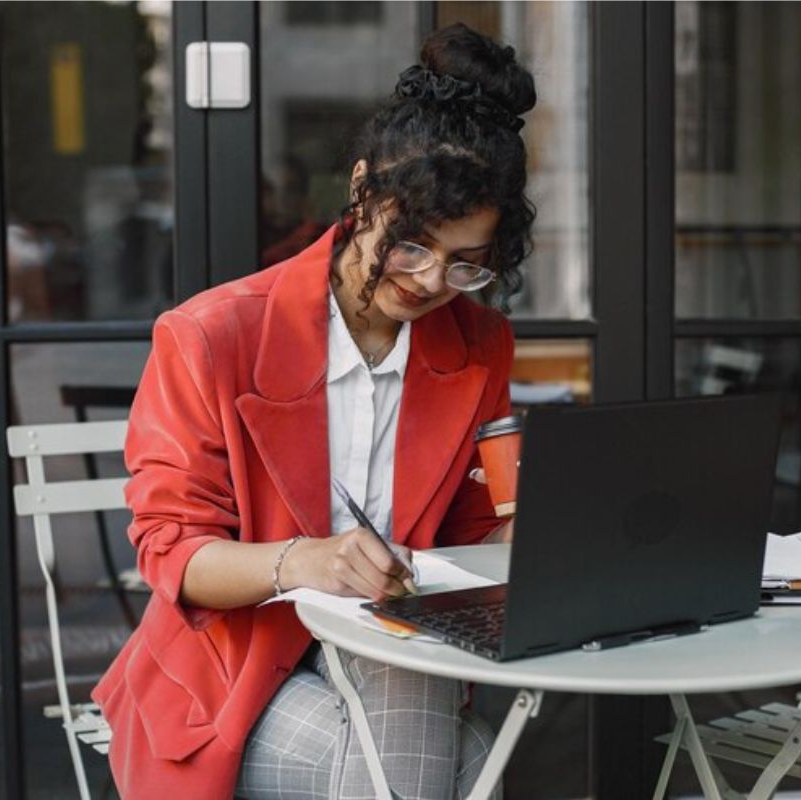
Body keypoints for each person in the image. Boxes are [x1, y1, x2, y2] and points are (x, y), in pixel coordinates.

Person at [93, 23, 535, 799]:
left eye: (466, 262)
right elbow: (171, 552)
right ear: (362, 189)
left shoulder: (477, 344)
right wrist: (306, 561)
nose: (431, 281)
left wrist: (527, 530)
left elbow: (470, 533)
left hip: (394, 662)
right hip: (231, 680)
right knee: (468, 770)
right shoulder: (210, 336)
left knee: (413, 711)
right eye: (412, 245)